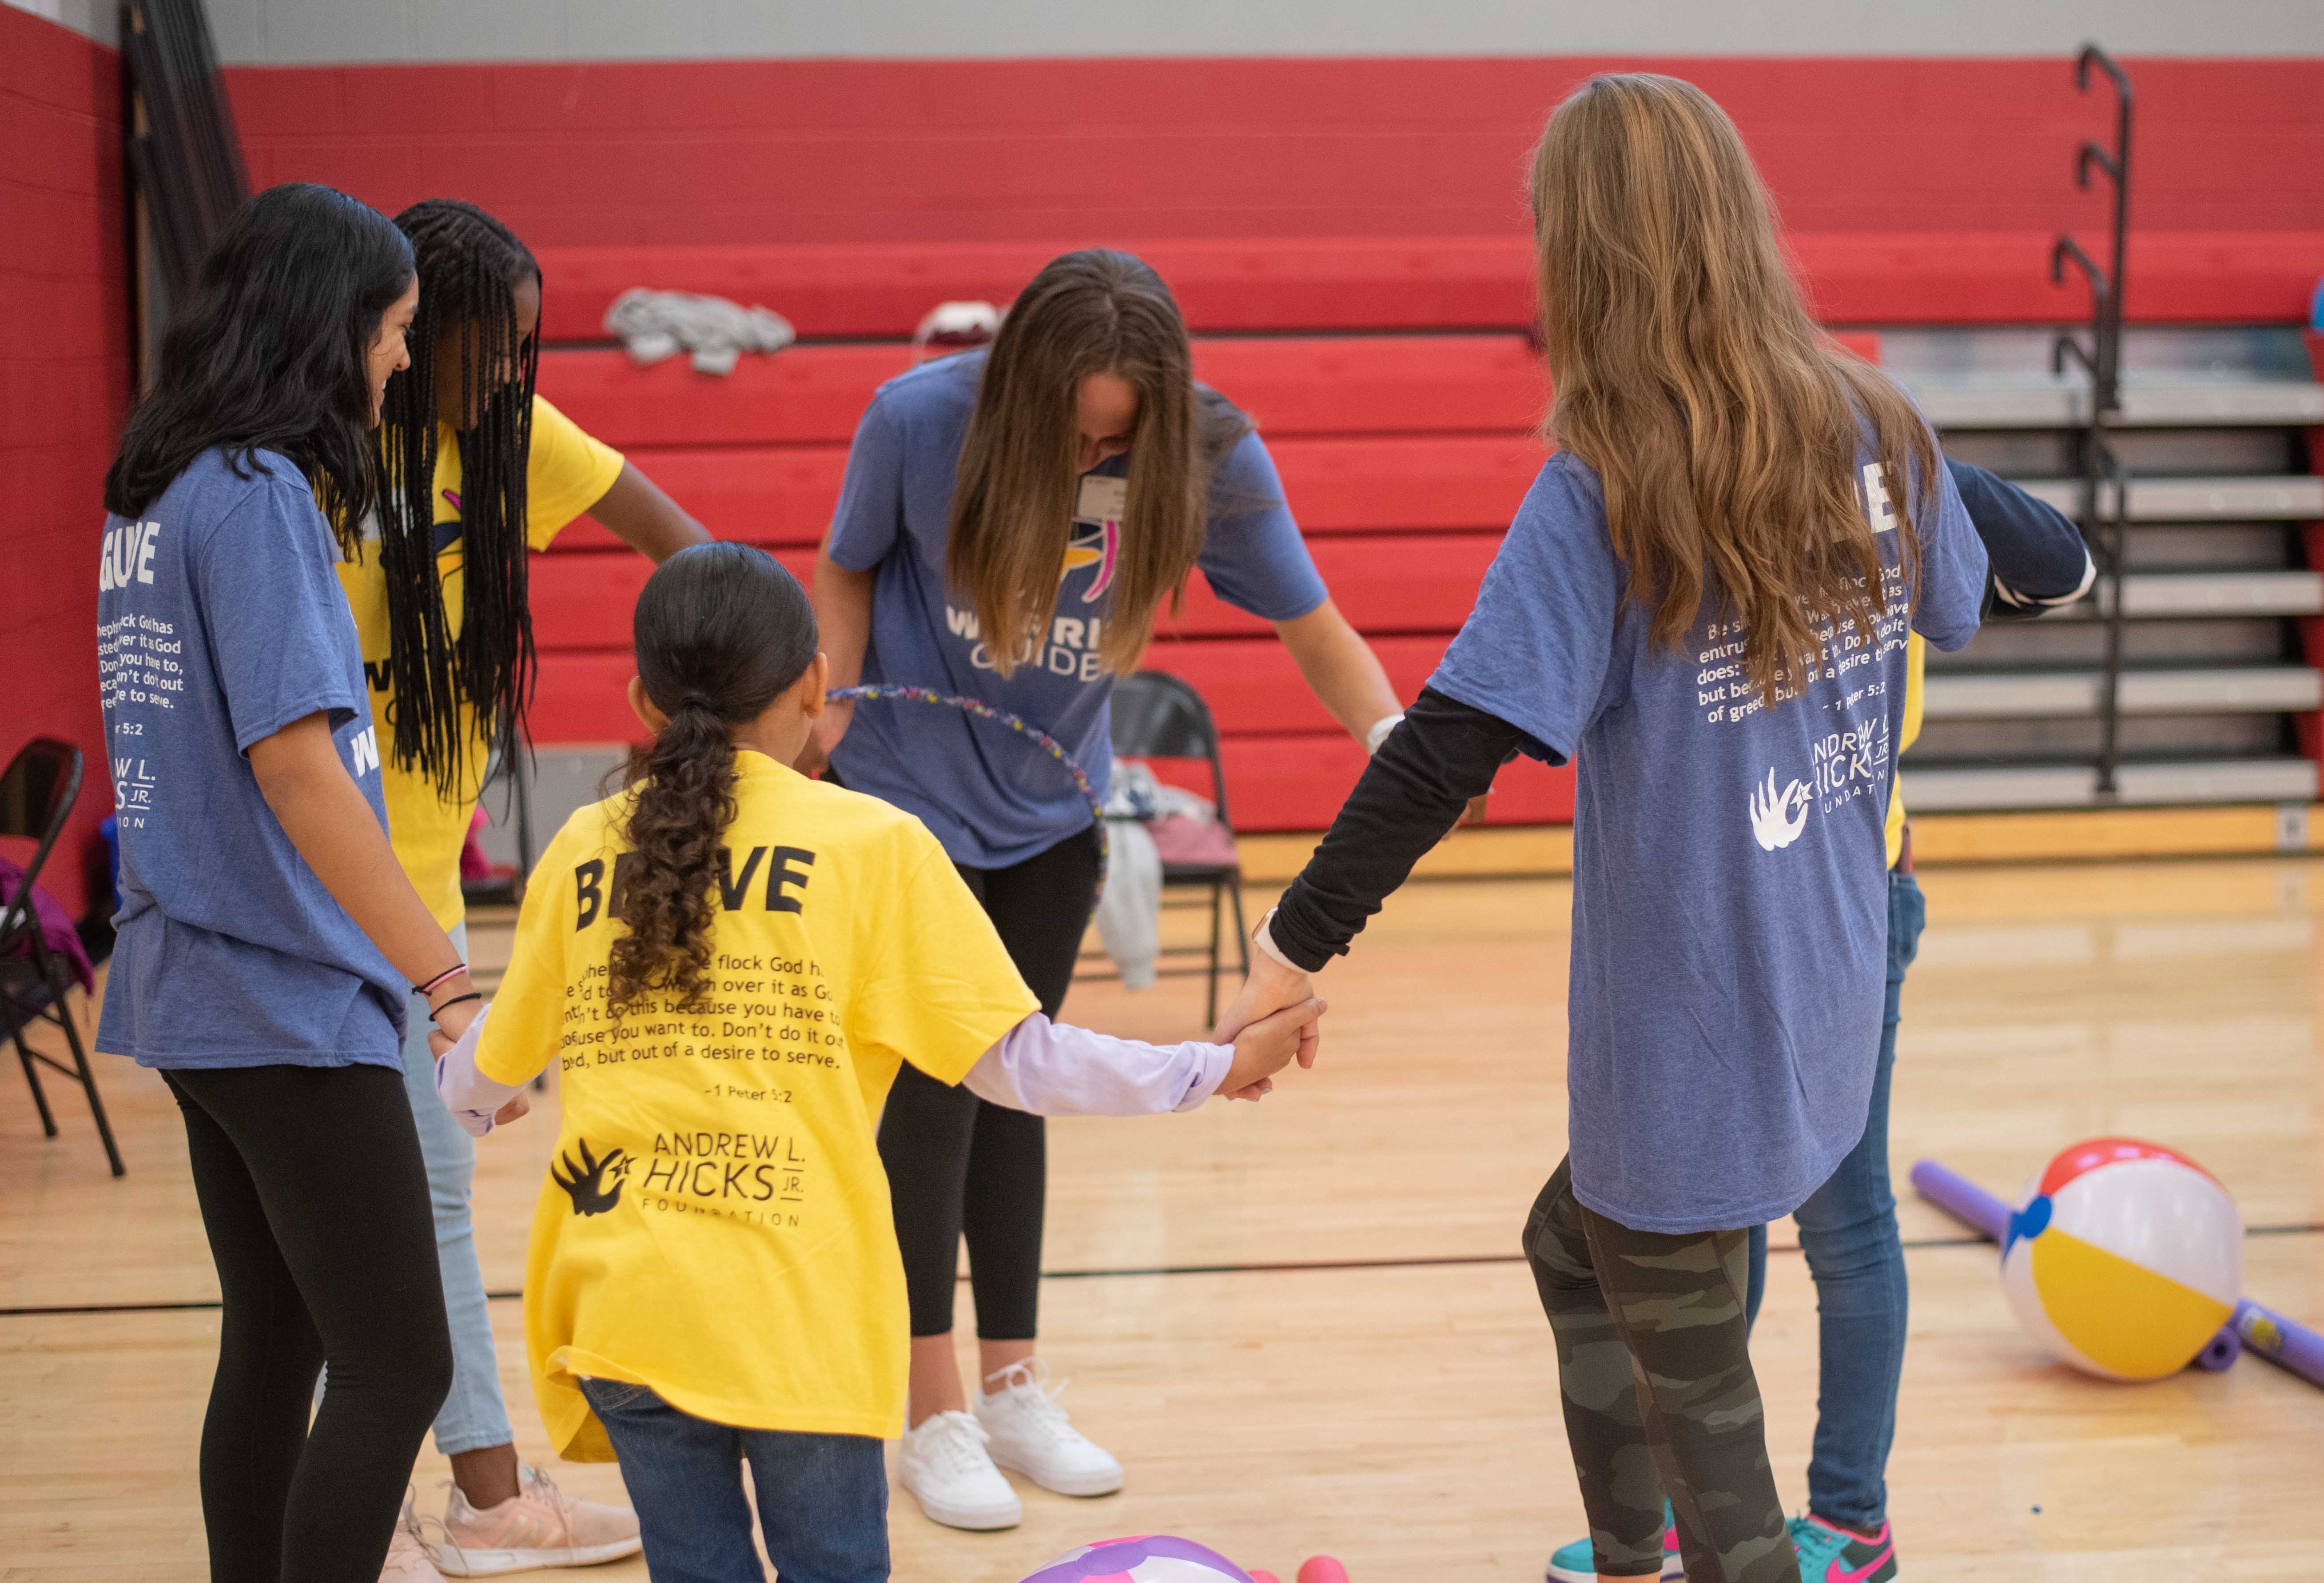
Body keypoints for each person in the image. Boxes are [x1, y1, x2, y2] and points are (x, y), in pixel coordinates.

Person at [1216, 75, 1988, 1583]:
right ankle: (1628, 1553)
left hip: (1691, 1034)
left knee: (1712, 1436)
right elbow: (1973, 586)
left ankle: (1681, 1552)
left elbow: (1446, 750)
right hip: (1827, 981)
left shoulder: (1604, 487)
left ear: (1581, 256)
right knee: (1569, 1244)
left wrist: (1288, 946)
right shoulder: (1872, 420)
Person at [430, 542, 1320, 1583]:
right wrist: (1205, 1069)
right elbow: (1018, 1064)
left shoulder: (582, 847)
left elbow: (486, 1072)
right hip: (797, 1308)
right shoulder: (873, 844)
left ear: (641, 701)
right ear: (815, 685)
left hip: (623, 1305)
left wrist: (467, 1091)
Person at [804, 247, 1411, 1528]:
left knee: (1016, 1083)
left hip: (1052, 816)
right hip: (902, 804)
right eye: (1075, 436)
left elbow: (1314, 626)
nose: (1095, 459)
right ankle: (930, 1410)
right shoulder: (916, 419)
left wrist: (1393, 744)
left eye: (1116, 443)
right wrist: (829, 717)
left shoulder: (1211, 456)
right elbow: (845, 566)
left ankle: (1011, 1384)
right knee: (929, 1094)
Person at [1540, 461, 2095, 1583]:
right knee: (1712, 1207)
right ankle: (1705, 1504)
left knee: (1845, 1224)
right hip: (1731, 898)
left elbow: (2063, 569)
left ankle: (1849, 1519)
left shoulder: (1878, 463)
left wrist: (1908, 455)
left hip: (1845, 898)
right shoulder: (1707, 470)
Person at [94, 182, 480, 1583]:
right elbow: (299, 769)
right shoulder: (258, 495)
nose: (400, 359)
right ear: (327, 328)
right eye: (393, 330)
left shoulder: (159, 489)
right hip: (276, 994)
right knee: (401, 1363)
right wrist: (444, 975)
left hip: (195, 984)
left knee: (278, 1342)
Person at [344, 197, 708, 1579]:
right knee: (387, 1209)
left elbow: (691, 550)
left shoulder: (511, 438)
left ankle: (437, 1495)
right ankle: (468, 1498)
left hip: (424, 889)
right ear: (406, 327)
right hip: (322, 892)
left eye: (525, 348)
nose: (510, 371)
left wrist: (704, 699)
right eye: (487, 344)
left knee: (403, 1206)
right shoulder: (315, 459)